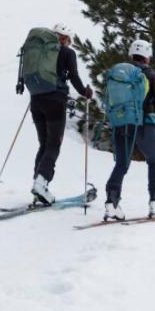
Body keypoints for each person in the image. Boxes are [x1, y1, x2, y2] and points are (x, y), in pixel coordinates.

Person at [18, 23, 93, 205]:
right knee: (53, 145)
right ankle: (41, 183)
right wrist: (85, 92)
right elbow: (74, 77)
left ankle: (38, 186)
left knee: (43, 145)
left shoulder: (40, 50)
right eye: (69, 40)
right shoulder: (67, 52)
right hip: (55, 101)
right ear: (65, 38)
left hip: (36, 100)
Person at [103, 39, 155, 221]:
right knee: (154, 161)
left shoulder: (120, 72)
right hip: (144, 124)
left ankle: (111, 202)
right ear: (147, 56)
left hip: (121, 122)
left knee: (121, 164)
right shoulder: (150, 73)